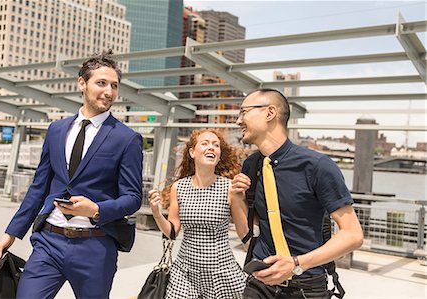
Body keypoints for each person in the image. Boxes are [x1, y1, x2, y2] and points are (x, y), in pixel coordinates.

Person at [0, 50, 143, 299]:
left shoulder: (127, 139)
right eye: (101, 83)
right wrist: (10, 233)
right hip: (48, 243)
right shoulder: (56, 130)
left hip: (95, 248)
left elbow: (132, 197)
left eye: (114, 85)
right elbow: (39, 187)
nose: (109, 91)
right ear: (82, 83)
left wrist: (96, 209)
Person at [229, 88, 363, 298]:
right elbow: (255, 225)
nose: (238, 121)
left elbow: (353, 235)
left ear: (269, 113)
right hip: (260, 283)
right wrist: (236, 199)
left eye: (244, 112)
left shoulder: (318, 166)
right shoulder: (251, 166)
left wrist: (296, 264)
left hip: (306, 287)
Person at [148, 128, 246, 299]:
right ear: (192, 152)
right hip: (184, 272)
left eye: (216, 145)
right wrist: (156, 213)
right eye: (205, 143)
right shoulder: (179, 187)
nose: (211, 147)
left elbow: (244, 233)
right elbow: (172, 232)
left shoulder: (230, 188)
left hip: (221, 273)